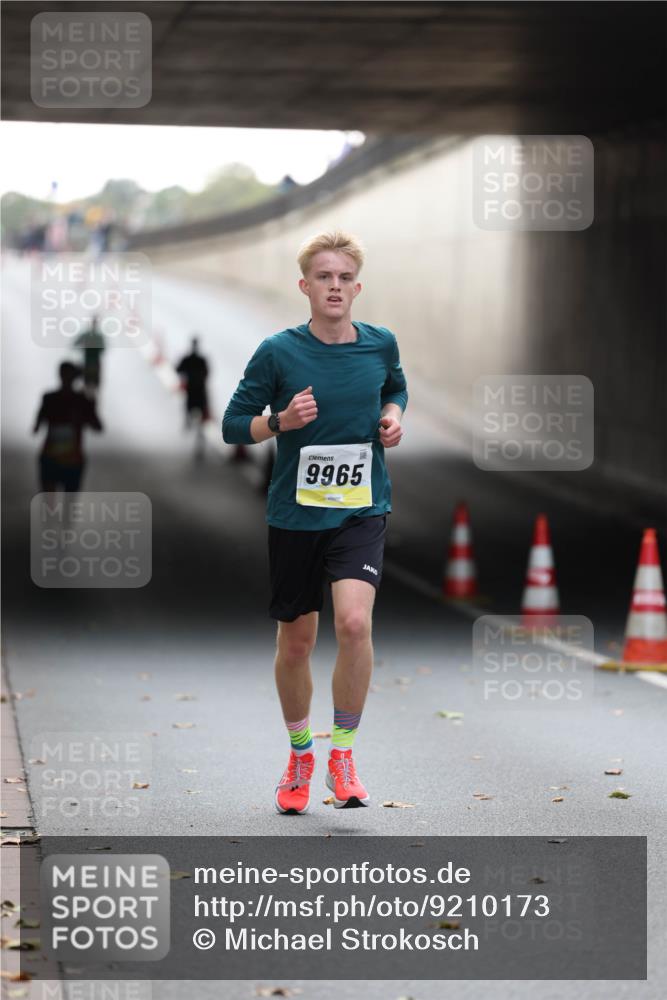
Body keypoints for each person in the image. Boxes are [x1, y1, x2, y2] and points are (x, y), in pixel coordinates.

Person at [222, 231, 407, 814]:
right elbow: (233, 425)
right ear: (305, 286)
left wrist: (392, 416)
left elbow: (395, 387)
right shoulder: (279, 351)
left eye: (344, 277)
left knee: (354, 625)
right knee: (297, 644)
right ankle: (301, 752)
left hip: (360, 509)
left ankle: (343, 755)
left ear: (357, 287)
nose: (335, 286)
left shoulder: (380, 344)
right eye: (323, 277)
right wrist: (278, 421)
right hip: (296, 517)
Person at [33, 361, 103, 493]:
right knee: (66, 506)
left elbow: (35, 428)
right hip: (72, 460)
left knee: (51, 505)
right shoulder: (82, 401)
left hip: (52, 458)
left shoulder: (49, 398)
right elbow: (97, 427)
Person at [176, 336, 210, 428]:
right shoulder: (201, 360)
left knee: (189, 405)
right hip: (199, 388)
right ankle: (203, 420)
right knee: (203, 405)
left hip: (191, 388)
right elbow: (207, 373)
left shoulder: (187, 359)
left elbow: (178, 369)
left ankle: (188, 421)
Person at [74, 316, 106, 395]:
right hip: (91, 362)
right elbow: (103, 349)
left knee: (90, 382)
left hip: (91, 362)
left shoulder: (90, 336)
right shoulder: (96, 336)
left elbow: (76, 343)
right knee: (90, 383)